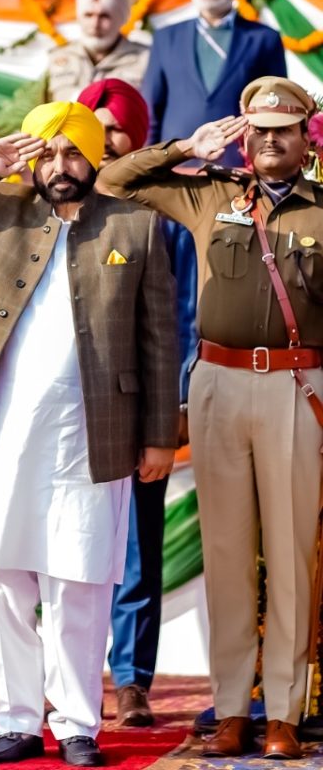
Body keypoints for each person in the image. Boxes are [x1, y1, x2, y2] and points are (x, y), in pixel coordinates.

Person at [0, 101, 179, 766]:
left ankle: (76, 725)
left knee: (80, 582)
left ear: (93, 158)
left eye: (73, 153)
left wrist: (160, 435)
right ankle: (15, 720)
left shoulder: (133, 225)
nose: (60, 166)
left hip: (95, 431)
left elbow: (159, 338)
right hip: (0, 429)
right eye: (48, 152)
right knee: (5, 580)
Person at [100, 77, 321, 760]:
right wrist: (186, 148)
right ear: (245, 136)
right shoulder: (211, 195)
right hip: (218, 383)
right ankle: (231, 708)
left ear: (306, 138)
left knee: (290, 557)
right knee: (225, 554)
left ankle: (282, 712)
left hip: (296, 386)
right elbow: (114, 180)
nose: (270, 140)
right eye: (259, 129)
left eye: (284, 129)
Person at [76, 78, 192, 727]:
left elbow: (180, 315)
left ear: (138, 136)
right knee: (61, 546)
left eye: (118, 128)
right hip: (67, 408)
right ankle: (68, 675)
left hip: (138, 405)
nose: (108, 140)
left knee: (137, 548)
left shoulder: (164, 212)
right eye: (96, 127)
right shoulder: (54, 206)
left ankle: (131, 680)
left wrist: (171, 408)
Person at [143, 0, 286, 169]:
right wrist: (148, 166)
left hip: (240, 167)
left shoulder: (263, 39)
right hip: (174, 167)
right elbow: (150, 111)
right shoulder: (166, 38)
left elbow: (275, 109)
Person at [47, 0, 149, 103]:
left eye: (104, 16)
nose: (95, 25)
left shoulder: (145, 58)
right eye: (88, 15)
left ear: (120, 18)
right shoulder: (59, 56)